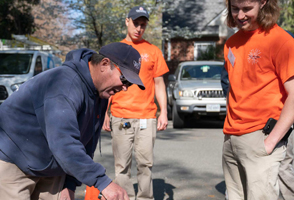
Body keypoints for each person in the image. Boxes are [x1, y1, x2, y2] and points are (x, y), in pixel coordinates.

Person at [0, 42, 145, 200]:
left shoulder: (101, 93)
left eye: (129, 84)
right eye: (124, 79)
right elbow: (63, 142)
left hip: (52, 166)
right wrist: (103, 182)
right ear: (104, 64)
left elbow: (87, 143)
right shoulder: (64, 84)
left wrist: (69, 183)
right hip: (14, 161)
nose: (125, 88)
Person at [222, 0, 294, 199]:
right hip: (231, 138)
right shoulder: (231, 43)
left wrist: (270, 141)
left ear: (263, 3)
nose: (240, 16)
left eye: (247, 9)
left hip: (261, 137)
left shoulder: (281, 41)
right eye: (235, 8)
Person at [101, 5, 169, 200]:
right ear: (127, 21)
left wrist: (163, 111)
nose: (139, 28)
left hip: (147, 116)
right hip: (120, 116)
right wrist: (105, 112)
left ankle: (145, 198)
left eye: (143, 25)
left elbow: (159, 83)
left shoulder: (153, 51)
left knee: (145, 165)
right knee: (121, 166)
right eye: (136, 23)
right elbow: (107, 84)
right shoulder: (116, 50)